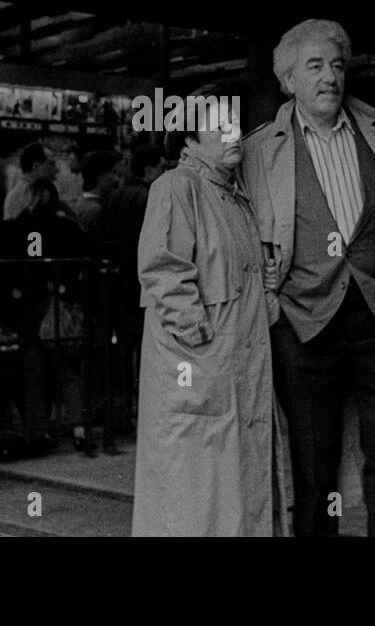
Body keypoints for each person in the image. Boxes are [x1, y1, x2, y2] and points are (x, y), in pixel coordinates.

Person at [243, 18, 375, 538]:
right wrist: (267, 293)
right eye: (314, 66)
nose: (329, 76)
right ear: (288, 81)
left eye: (336, 65)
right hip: (303, 321)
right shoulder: (259, 152)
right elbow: (237, 227)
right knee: (313, 465)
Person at [134, 99, 279, 536]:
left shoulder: (233, 195)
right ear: (190, 139)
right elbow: (162, 269)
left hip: (232, 367)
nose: (233, 135)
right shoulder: (178, 186)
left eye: (235, 125)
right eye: (219, 128)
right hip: (199, 370)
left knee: (225, 490)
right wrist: (200, 342)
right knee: (194, 495)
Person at [0, 178, 92, 453]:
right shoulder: (66, 227)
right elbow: (88, 254)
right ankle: (80, 428)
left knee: (33, 371)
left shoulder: (10, 229)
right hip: (59, 305)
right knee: (68, 370)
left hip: (26, 307)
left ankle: (40, 432)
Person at [95, 145, 164, 405]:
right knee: (141, 349)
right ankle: (136, 405)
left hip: (114, 283)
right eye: (160, 167)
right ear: (148, 170)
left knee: (120, 350)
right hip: (141, 286)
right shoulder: (151, 199)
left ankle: (119, 407)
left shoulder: (114, 198)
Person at [70, 149, 122, 234]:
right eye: (113, 172)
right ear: (101, 176)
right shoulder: (95, 211)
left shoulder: (81, 202)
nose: (116, 178)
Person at [2, 142, 57, 220]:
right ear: (36, 166)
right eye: (51, 164)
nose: (56, 169)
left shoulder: (37, 192)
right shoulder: (22, 196)